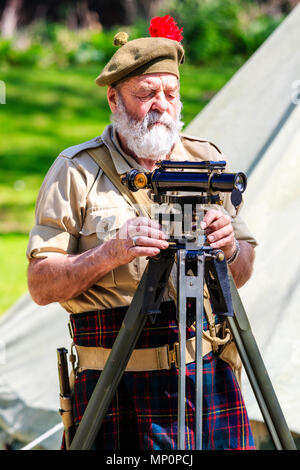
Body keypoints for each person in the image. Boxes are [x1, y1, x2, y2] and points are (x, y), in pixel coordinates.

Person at [27, 16, 257, 450]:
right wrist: (108, 253)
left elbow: (242, 270)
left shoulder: (206, 160)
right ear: (114, 98)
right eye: (146, 94)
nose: (162, 105)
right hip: (113, 388)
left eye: (171, 93)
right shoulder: (76, 171)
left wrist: (229, 247)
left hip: (205, 377)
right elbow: (40, 285)